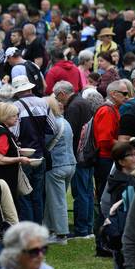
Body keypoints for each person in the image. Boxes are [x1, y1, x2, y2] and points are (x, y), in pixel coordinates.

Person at [11, 75, 56, 223]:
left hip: (23, 156)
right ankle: (38, 228)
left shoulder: (16, 106)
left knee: (24, 195)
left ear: (17, 92)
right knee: (37, 194)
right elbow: (53, 128)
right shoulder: (44, 103)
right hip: (40, 154)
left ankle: (28, 229)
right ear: (30, 87)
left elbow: (15, 133)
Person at [53, 81, 94, 238]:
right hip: (88, 154)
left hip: (80, 156)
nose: (57, 101)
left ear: (62, 94)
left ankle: (82, 230)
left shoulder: (74, 106)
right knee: (88, 192)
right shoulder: (82, 102)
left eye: (57, 97)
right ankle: (88, 228)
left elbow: (70, 133)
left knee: (81, 193)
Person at [93, 80, 129, 255]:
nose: (127, 96)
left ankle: (106, 240)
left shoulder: (113, 110)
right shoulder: (107, 111)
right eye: (124, 93)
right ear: (113, 94)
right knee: (105, 201)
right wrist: (127, 147)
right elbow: (105, 141)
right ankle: (102, 243)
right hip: (106, 160)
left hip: (109, 159)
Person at [43, 96, 76, 245]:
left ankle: (61, 235)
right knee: (56, 199)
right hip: (70, 164)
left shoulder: (51, 124)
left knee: (57, 201)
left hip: (56, 165)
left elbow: (44, 142)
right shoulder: (65, 121)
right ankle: (51, 230)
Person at [0, 102, 31, 196]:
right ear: (5, 116)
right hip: (4, 179)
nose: (17, 118)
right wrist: (20, 159)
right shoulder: (2, 133)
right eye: (13, 116)